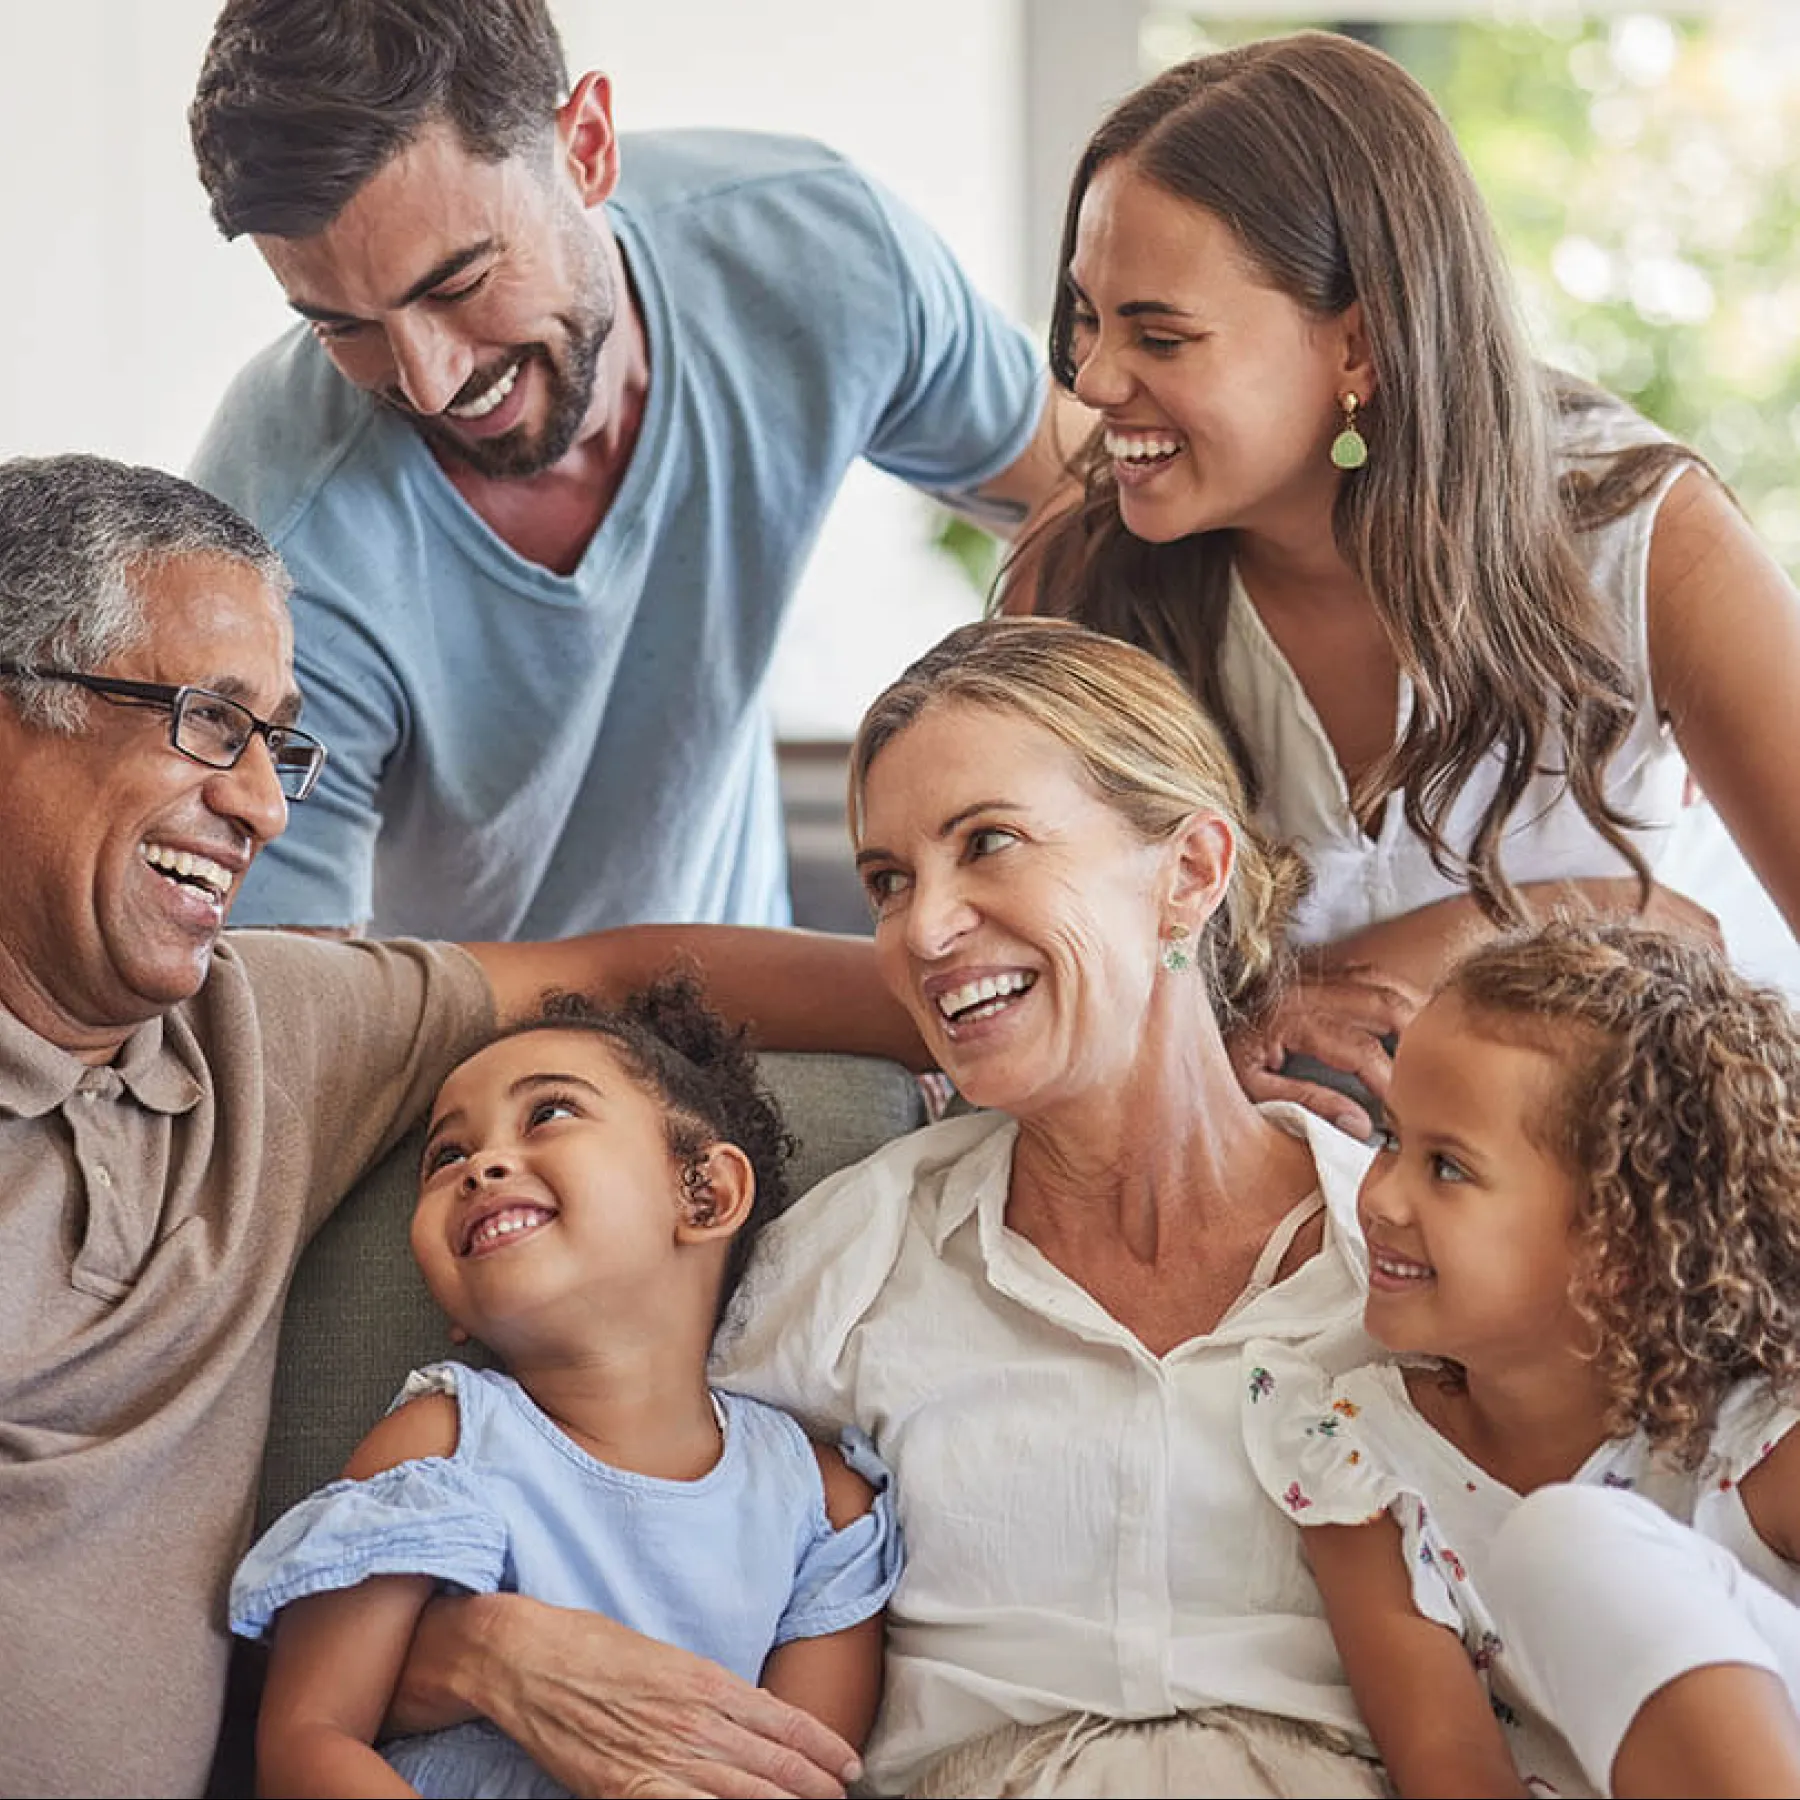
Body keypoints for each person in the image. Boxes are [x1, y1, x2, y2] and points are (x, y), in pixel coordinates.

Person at [0, 451, 920, 1800]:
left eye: (277, 742)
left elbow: (616, 972)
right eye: (207, 721)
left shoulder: (265, 1029)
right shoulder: (447, 1449)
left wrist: (1032, 1009)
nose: (264, 806)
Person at [388, 615, 1385, 1796]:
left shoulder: (1403, 1254)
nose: (923, 929)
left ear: (1190, 872)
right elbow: (615, 1538)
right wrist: (477, 1648)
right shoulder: (849, 1263)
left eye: (989, 842)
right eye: (889, 882)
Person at [1003, 28, 1800, 1138]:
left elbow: (1712, 948)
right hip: (1269, 1175)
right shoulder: (1084, 573)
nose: (1091, 382)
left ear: (1360, 347)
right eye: (1088, 320)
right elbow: (1029, 984)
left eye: (1162, 337)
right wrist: (1563, 911)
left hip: (1621, 1161)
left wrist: (1504, 932)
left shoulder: (1641, 538)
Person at [185, 0, 1083, 944]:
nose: (428, 381)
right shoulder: (272, 552)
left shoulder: (816, 251)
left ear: (586, 148)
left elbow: (1085, 493)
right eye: (342, 327)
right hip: (448, 1033)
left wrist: (1025, 802)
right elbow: (292, 998)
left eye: (458, 284)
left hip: (758, 1006)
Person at [230, 975, 902, 1798]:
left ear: (705, 1194)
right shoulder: (444, 1443)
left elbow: (796, 1770)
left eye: (548, 1112)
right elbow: (308, 1743)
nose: (481, 1167)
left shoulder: (825, 1505)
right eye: (446, 1156)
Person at [1244, 919, 1800, 1798]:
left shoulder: (1760, 1431)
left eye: (1448, 1169)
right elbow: (1451, 1769)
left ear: (1620, 1245)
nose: (1378, 1197)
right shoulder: (1361, 1457)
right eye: (1390, 1139)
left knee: (1569, 1542)